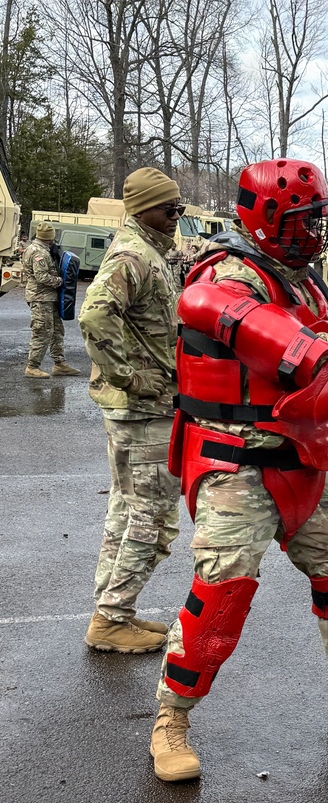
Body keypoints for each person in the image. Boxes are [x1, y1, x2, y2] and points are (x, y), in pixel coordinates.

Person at [150, 158, 328, 782]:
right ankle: (172, 718)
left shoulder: (301, 281)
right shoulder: (227, 282)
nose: (311, 233)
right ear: (265, 217)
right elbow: (318, 374)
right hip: (235, 462)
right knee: (221, 597)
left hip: (299, 458)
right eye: (299, 220)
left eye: (315, 218)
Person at [79, 169, 183, 654]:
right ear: (143, 209)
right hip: (144, 411)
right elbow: (96, 314)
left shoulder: (148, 253)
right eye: (170, 210)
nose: (176, 218)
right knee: (154, 518)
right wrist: (129, 376)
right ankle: (112, 619)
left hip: (139, 411)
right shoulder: (133, 255)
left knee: (126, 511)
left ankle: (114, 610)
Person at [22, 221, 80, 379]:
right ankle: (32, 367)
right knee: (42, 332)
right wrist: (61, 281)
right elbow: (41, 277)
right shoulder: (38, 252)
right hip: (41, 298)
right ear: (49, 237)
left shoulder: (43, 249)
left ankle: (59, 364)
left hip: (49, 298)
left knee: (56, 332)